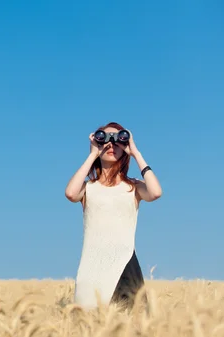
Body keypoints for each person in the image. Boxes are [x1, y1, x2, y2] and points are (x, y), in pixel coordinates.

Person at [65, 122, 163, 311]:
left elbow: (156, 192)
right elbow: (70, 193)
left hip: (125, 266)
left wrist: (135, 153)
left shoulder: (133, 187)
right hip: (91, 269)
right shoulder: (88, 188)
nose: (111, 145)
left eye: (118, 140)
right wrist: (93, 153)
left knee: (134, 327)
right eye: (105, 140)